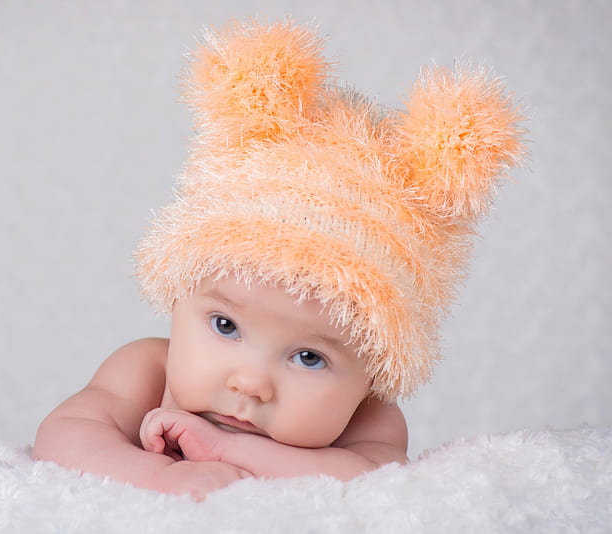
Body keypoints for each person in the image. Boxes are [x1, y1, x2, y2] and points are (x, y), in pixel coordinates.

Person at [33, 18, 525, 500]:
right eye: (225, 325)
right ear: (178, 296)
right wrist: (158, 478)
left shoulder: (369, 418)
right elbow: (64, 435)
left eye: (310, 357)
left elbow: (372, 478)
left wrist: (224, 449)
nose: (250, 383)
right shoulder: (145, 368)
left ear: (372, 373)